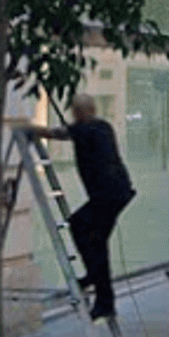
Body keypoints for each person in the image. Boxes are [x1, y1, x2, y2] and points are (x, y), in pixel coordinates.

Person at [29, 95, 135, 321]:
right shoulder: (100, 127)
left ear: (87, 110)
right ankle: (100, 291)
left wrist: (30, 129)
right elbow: (67, 132)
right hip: (115, 193)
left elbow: (58, 133)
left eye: (78, 110)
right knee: (96, 242)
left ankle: (98, 288)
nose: (75, 114)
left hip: (109, 195)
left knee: (79, 226)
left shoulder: (89, 129)